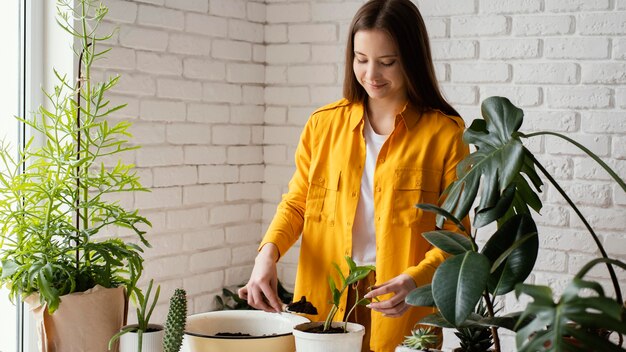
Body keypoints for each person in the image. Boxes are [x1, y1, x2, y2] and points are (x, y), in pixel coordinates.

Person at [238, 0, 469, 351]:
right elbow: (298, 202)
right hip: (325, 303)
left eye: (387, 62)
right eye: (361, 60)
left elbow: (456, 237)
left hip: (401, 304)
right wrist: (266, 255)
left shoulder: (445, 134)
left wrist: (416, 281)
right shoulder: (323, 125)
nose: (371, 75)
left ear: (412, 58)